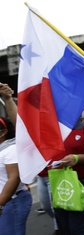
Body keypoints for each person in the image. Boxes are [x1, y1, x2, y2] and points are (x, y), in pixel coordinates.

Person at [50, 120, 84, 234]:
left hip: (82, 182)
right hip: (58, 182)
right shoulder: (52, 129)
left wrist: (77, 158)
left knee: (77, 226)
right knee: (63, 225)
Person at [0, 83, 32, 235]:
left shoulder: (11, 148)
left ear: (3, 132)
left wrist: (7, 99)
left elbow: (14, 177)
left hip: (11, 202)